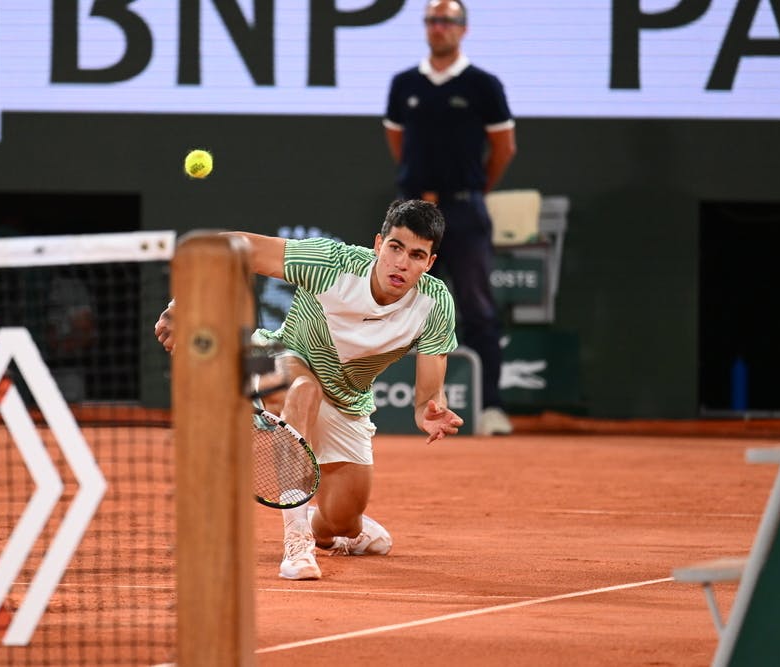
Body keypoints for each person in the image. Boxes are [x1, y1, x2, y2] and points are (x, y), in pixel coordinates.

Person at [154, 199, 464, 580]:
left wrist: (431, 411)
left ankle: (323, 527)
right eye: (395, 248)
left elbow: (426, 399)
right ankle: (296, 542)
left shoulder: (434, 305)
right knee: (303, 389)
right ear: (378, 244)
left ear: (429, 264)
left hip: (347, 401)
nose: (401, 263)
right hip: (272, 357)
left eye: (417, 255)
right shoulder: (331, 263)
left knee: (343, 522)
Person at [383, 0, 517, 436]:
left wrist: (471, 191)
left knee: (477, 307)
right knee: (392, 301)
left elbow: (503, 150)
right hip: (411, 213)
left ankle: (491, 408)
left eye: (446, 21)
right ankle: (381, 403)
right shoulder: (404, 84)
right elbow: (398, 141)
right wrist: (421, 196)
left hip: (465, 211)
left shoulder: (484, 85)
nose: (438, 28)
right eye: (432, 21)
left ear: (463, 28)